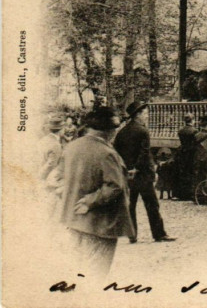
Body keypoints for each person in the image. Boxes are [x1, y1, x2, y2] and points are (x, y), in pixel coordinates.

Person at [59, 107, 134, 277]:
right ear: (110, 131)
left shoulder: (71, 147)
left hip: (73, 220)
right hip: (99, 223)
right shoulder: (107, 152)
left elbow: (60, 178)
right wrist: (89, 201)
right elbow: (115, 186)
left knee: (77, 271)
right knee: (96, 274)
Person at [113, 101, 175, 243]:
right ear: (138, 114)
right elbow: (144, 153)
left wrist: (127, 169)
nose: (147, 116)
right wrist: (137, 168)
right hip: (143, 175)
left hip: (128, 175)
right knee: (152, 204)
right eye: (145, 113)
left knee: (130, 205)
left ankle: (132, 235)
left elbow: (116, 152)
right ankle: (159, 234)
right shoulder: (143, 131)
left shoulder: (122, 132)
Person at [38, 114, 65, 222]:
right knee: (50, 211)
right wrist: (43, 177)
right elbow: (51, 164)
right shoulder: (55, 144)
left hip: (41, 175)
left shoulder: (43, 140)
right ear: (61, 130)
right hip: (49, 179)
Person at [174, 114, 199, 200]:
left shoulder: (181, 130)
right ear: (193, 120)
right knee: (191, 172)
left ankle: (182, 194)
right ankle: (190, 193)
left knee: (183, 172)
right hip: (191, 153)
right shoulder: (195, 131)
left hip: (182, 152)